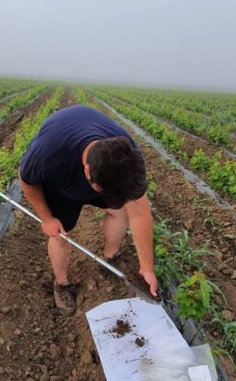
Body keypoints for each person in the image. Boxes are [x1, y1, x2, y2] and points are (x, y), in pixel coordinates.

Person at [18, 105, 157, 315]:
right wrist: (46, 219)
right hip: (60, 187)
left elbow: (140, 213)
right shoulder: (50, 154)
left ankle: (110, 258)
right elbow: (26, 180)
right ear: (87, 171)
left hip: (101, 174)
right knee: (60, 234)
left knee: (120, 211)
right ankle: (62, 285)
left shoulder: (127, 159)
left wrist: (147, 268)